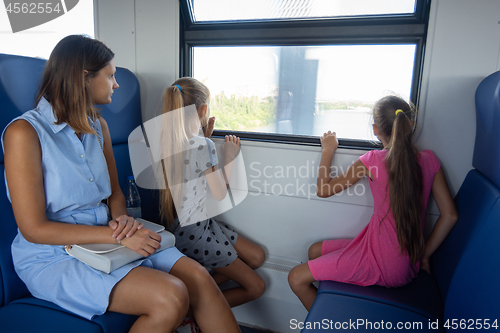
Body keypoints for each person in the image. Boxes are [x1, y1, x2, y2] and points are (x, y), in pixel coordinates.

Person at [2, 35, 241, 333]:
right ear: (84, 77)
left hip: (108, 237)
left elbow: (115, 193)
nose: (116, 84)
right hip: (53, 255)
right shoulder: (25, 132)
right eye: (111, 75)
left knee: (199, 277)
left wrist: (122, 221)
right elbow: (34, 229)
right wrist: (117, 237)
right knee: (171, 295)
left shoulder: (98, 126)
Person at [288, 95, 459, 311]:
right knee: (315, 250)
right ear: (410, 125)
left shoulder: (372, 160)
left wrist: (328, 150)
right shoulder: (429, 160)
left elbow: (324, 190)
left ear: (375, 129)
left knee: (295, 277)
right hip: (399, 258)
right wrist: (424, 255)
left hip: (384, 264)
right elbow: (450, 215)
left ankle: (331, 325)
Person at [158, 77, 266, 308]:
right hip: (196, 233)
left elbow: (191, 172)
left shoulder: (169, 142)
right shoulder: (201, 146)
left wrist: (205, 137)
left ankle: (201, 292)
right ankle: (191, 311)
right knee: (257, 287)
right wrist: (229, 155)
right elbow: (219, 194)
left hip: (187, 227)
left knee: (257, 257)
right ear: (204, 109)